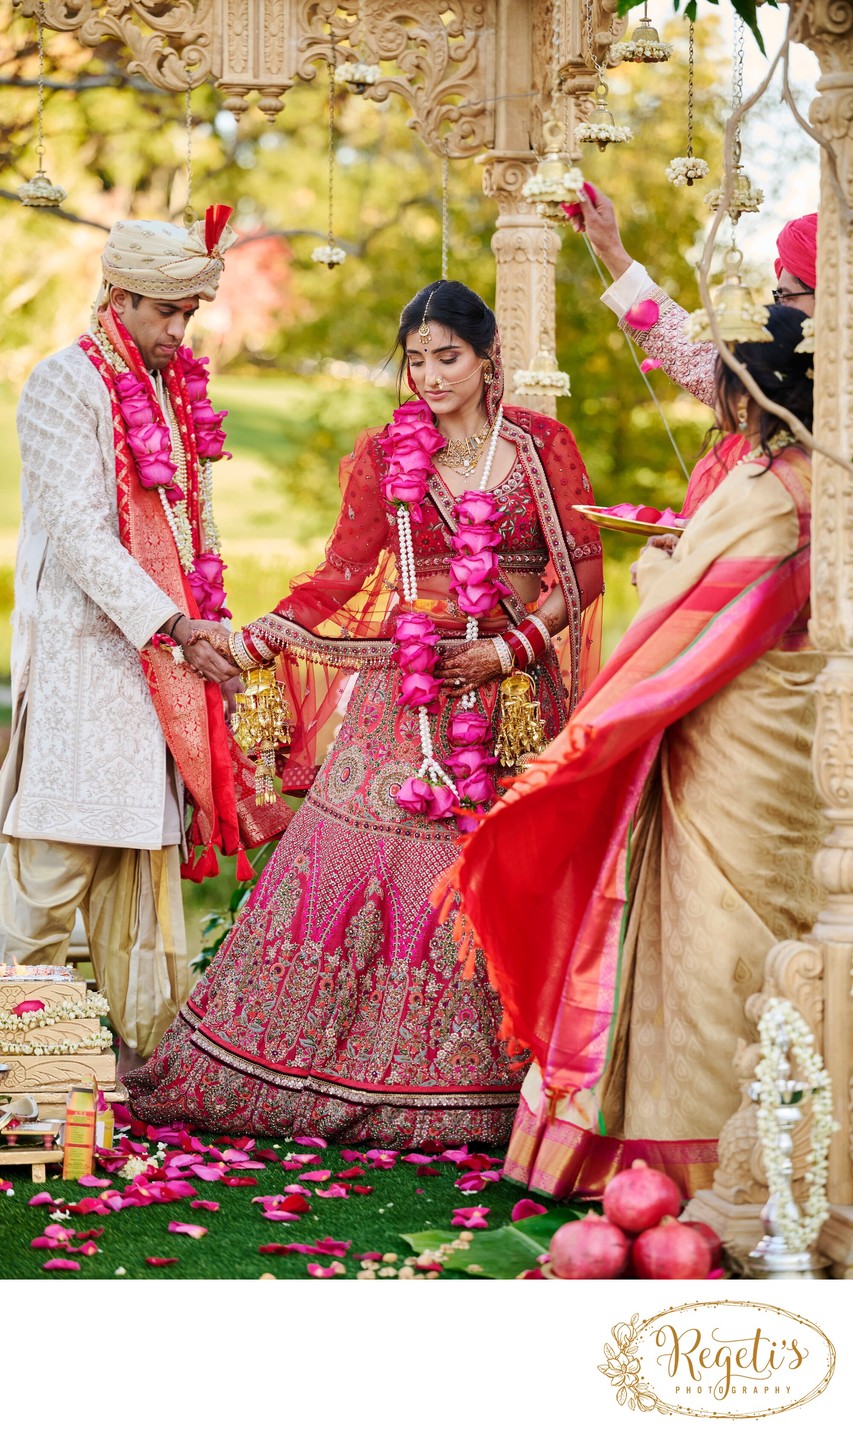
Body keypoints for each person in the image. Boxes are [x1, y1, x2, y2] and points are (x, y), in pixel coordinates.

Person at [126, 279, 605, 1144]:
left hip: (512, 700)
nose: (427, 375)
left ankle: (499, 1097)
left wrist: (507, 650)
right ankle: (308, 1072)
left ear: (487, 354)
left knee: (496, 870)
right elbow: (341, 576)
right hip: (406, 700)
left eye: (446, 357)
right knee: (355, 863)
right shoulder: (390, 454)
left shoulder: (540, 447)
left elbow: (582, 567)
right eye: (415, 359)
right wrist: (251, 641)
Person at [455, 306, 823, 1198]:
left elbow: (689, 615)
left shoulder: (768, 489)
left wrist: (656, 567)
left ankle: (688, 1155)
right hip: (806, 731)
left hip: (729, 727)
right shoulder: (832, 478)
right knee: (786, 915)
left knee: (702, 925)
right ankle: (800, 1142)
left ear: (748, 401)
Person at [0, 208, 289, 1070]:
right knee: (48, 881)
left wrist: (187, 633)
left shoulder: (165, 390)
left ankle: (149, 1071)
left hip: (155, 679)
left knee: (142, 888)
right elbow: (83, 535)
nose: (180, 330)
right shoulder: (64, 383)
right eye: (166, 311)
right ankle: (24, 1079)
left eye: (188, 314)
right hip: (87, 673)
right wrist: (175, 626)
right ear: (119, 298)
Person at [570, 183, 817, 411]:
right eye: (778, 297)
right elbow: (694, 357)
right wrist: (611, 251)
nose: (777, 311)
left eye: (787, 297)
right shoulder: (776, 376)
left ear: (833, 298)